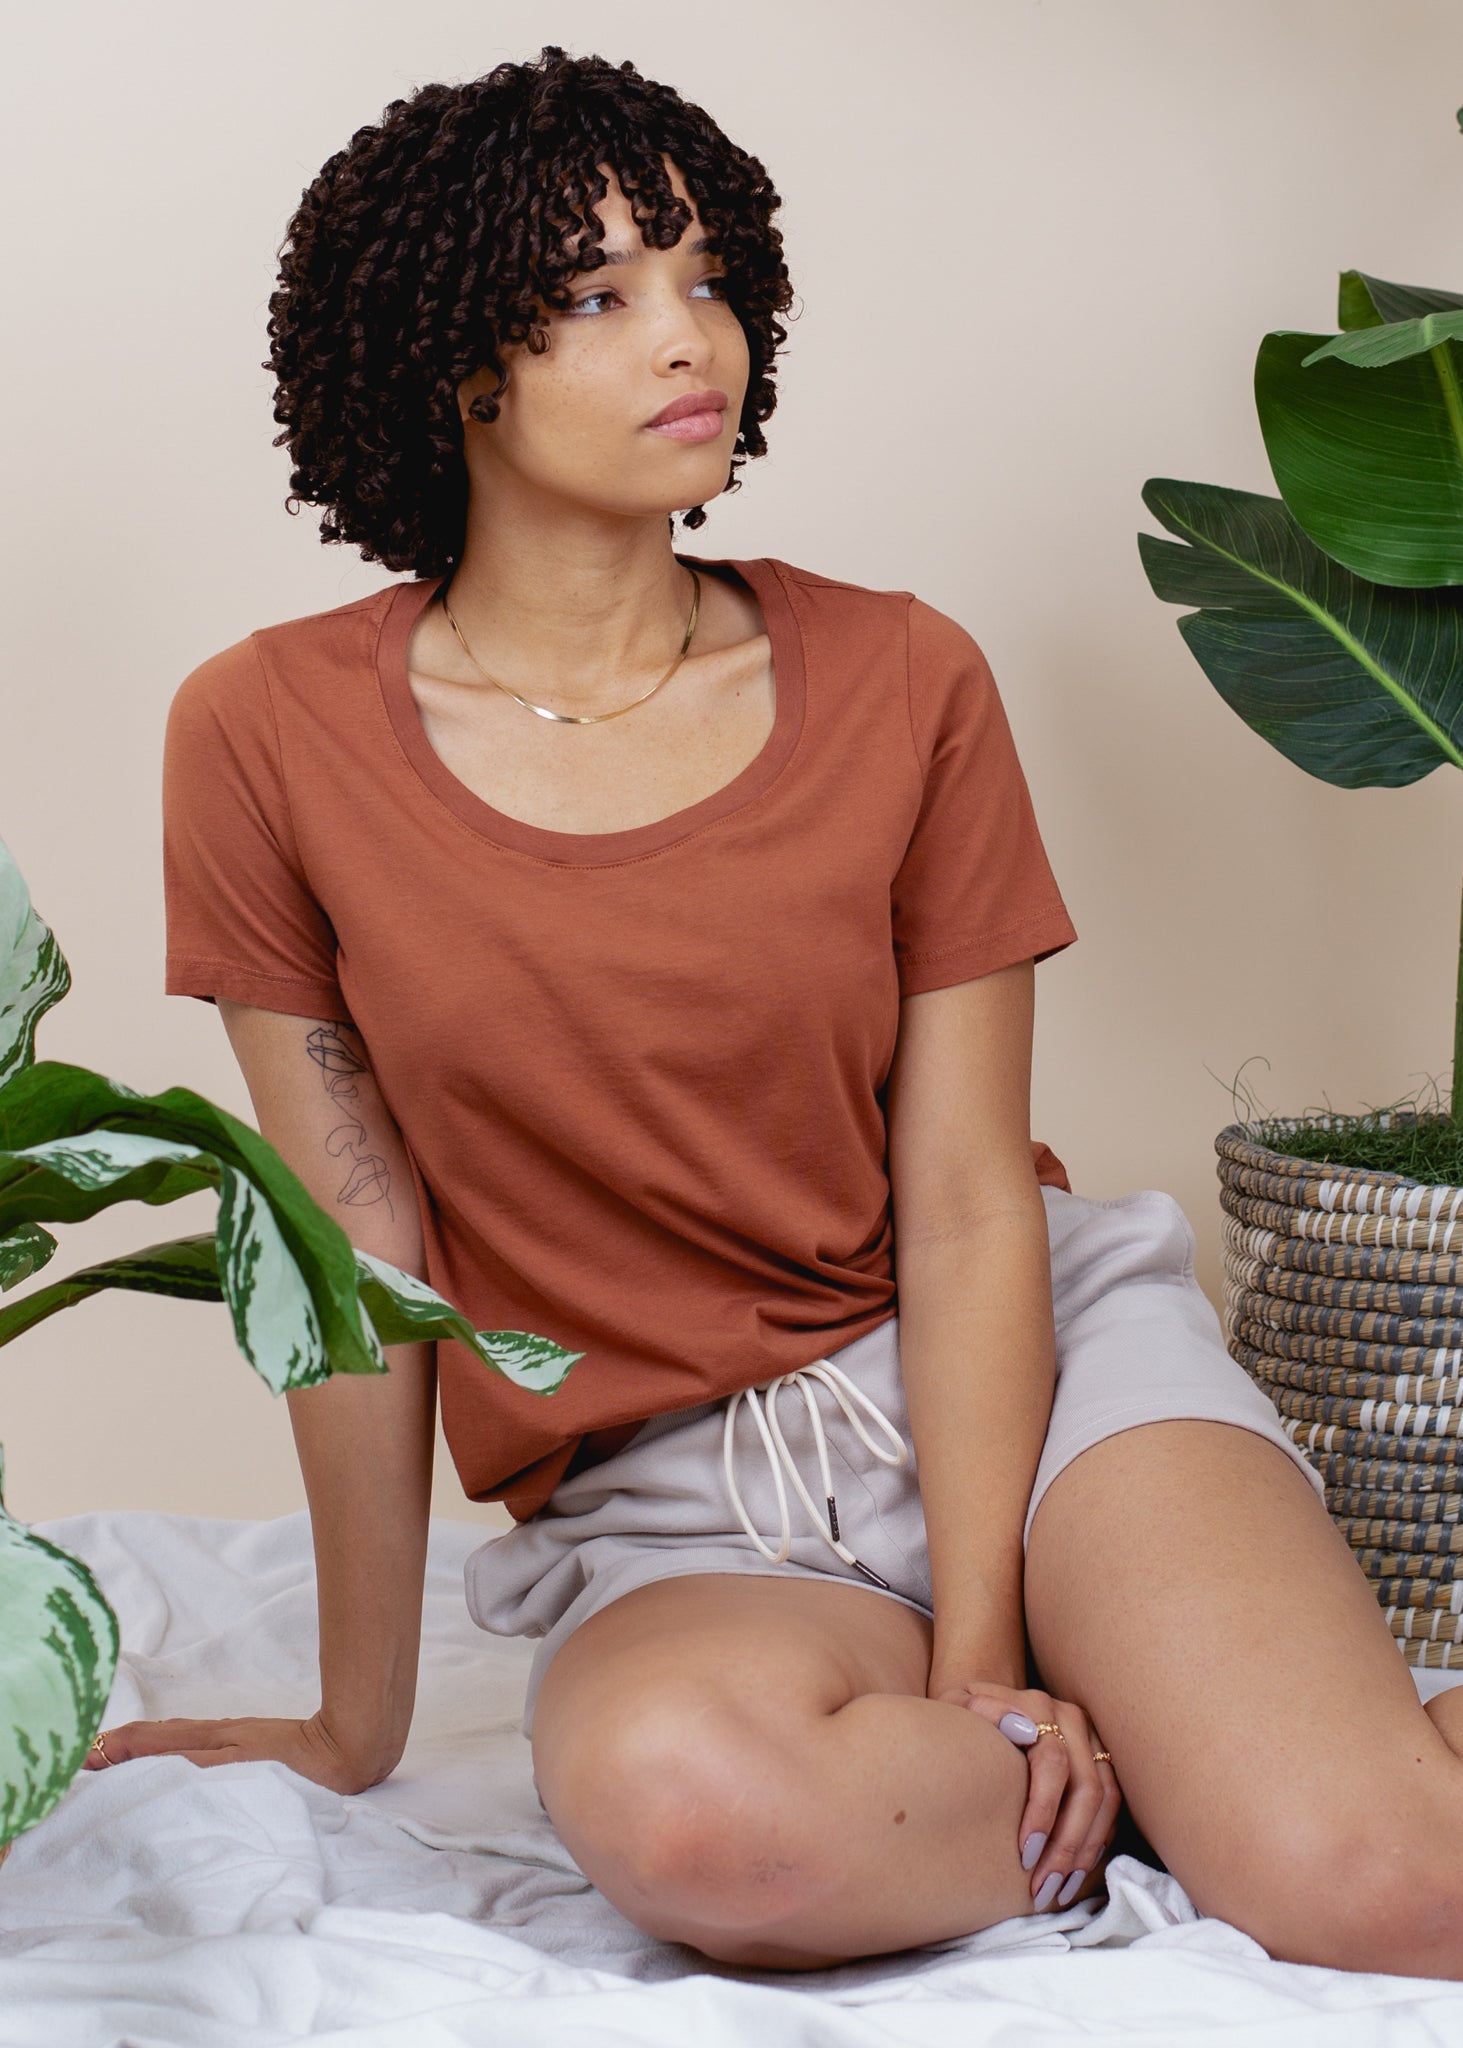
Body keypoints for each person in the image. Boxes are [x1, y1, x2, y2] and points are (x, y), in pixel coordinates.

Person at [86, 45, 1463, 1978]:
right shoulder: (264, 732)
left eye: (708, 272)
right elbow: (355, 1249)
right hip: (677, 1499)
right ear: (460, 361)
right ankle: (1186, 1760)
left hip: (1032, 1380)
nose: (689, 333)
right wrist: (356, 1717)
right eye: (601, 293)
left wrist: (975, 1676)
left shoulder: (906, 679)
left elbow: (976, 1206)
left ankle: (1201, 1744)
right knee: (698, 1824)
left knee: (1390, 1894)